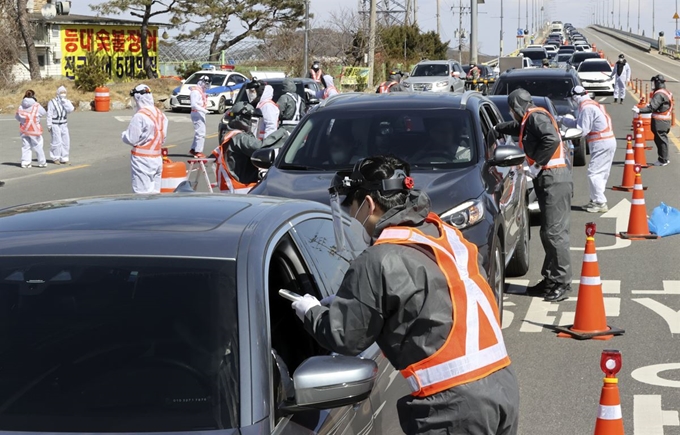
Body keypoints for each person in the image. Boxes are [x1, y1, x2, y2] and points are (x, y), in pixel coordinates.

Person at [291, 155, 519, 435]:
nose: (355, 221)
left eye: (353, 210)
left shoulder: (379, 258)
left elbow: (346, 336)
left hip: (453, 405)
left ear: (369, 204)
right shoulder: (443, 233)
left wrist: (311, 312)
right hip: (501, 385)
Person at [494, 88, 572, 302]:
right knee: (548, 233)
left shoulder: (536, 117)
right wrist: (496, 127)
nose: (512, 113)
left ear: (516, 106)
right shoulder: (528, 119)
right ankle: (550, 279)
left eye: (511, 109)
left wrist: (537, 164)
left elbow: (551, 139)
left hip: (553, 178)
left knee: (555, 233)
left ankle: (562, 282)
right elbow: (516, 128)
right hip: (549, 179)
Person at [558, 86, 616, 213]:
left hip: (601, 142)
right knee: (601, 173)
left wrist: (565, 134)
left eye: (572, 99)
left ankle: (600, 202)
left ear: (575, 97)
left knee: (594, 173)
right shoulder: (591, 104)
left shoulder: (586, 108)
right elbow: (579, 123)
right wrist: (562, 120)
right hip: (607, 141)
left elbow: (582, 130)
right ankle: (596, 199)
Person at [212, 102, 288, 193]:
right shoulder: (239, 137)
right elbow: (260, 147)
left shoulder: (231, 135)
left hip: (235, 188)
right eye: (249, 119)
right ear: (239, 118)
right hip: (241, 190)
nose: (251, 123)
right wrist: (283, 132)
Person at [121, 84, 168, 194]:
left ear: (137, 98)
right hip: (157, 158)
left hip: (142, 160)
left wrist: (123, 135)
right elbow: (163, 138)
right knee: (155, 194)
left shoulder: (140, 116)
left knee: (141, 196)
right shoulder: (161, 115)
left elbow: (131, 138)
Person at [634, 75, 674, 166]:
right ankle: (663, 158)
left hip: (660, 122)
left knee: (661, 140)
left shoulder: (659, 94)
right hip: (664, 121)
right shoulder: (666, 92)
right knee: (661, 139)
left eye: (655, 83)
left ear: (658, 83)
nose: (653, 85)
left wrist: (640, 110)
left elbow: (652, 107)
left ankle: (663, 160)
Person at [15, 90, 47, 169]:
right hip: (34, 129)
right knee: (38, 145)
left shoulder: (21, 106)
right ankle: (42, 162)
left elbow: (17, 117)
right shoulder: (36, 105)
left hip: (24, 129)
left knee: (26, 146)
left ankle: (25, 163)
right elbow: (43, 112)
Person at [46, 85, 74, 165]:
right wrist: (49, 125)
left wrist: (65, 102)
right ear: (58, 93)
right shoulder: (52, 102)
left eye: (64, 92)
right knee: (56, 141)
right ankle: (56, 157)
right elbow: (49, 114)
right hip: (55, 124)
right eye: (61, 92)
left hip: (64, 124)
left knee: (66, 141)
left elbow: (71, 109)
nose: (63, 94)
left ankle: (64, 158)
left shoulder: (66, 101)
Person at [189, 75, 210, 158]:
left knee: (199, 132)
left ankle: (194, 149)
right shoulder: (195, 92)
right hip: (197, 112)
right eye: (205, 83)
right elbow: (194, 105)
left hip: (200, 112)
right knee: (201, 133)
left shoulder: (200, 91)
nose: (206, 85)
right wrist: (204, 110)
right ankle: (198, 152)